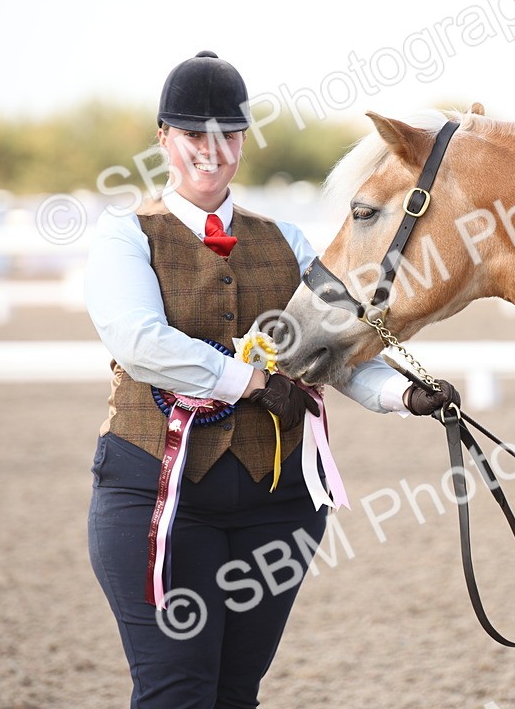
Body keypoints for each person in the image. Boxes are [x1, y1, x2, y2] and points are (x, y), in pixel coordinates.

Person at [83, 50, 458, 709]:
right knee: (176, 693)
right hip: (158, 500)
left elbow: (332, 349)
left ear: (243, 140)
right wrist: (253, 382)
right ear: (164, 139)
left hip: (277, 509)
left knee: (236, 695)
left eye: (227, 134)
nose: (211, 149)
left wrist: (403, 394)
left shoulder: (288, 241)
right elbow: (140, 343)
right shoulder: (126, 235)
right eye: (193, 134)